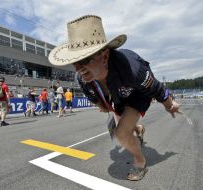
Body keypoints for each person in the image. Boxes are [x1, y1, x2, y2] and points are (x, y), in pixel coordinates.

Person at [48, 15, 180, 181]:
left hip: (137, 95)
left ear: (104, 56)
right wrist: (107, 109)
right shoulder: (83, 80)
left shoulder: (132, 68)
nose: (79, 68)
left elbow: (156, 88)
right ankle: (137, 128)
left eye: (85, 59)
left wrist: (170, 105)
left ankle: (140, 161)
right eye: (75, 61)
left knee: (122, 133)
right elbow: (102, 106)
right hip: (115, 99)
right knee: (121, 125)